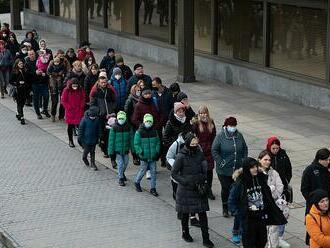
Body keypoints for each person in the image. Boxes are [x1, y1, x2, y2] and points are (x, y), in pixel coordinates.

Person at [228, 157, 287, 248]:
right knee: (249, 243)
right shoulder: (240, 183)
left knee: (262, 240)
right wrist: (239, 214)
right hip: (248, 219)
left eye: (256, 166)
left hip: (261, 216)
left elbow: (267, 196)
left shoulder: (260, 179)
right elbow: (232, 201)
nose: (255, 169)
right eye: (252, 167)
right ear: (247, 168)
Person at [171, 132, 214, 248]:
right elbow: (174, 173)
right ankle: (185, 233)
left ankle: (206, 238)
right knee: (185, 214)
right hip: (186, 190)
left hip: (199, 189)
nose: (195, 145)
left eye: (196, 143)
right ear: (188, 143)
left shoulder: (199, 154)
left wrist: (204, 178)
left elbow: (203, 167)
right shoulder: (181, 156)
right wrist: (185, 181)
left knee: (203, 215)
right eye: (193, 143)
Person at [211, 116, 248, 217]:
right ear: (226, 126)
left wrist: (243, 161)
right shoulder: (220, 137)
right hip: (224, 170)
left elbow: (244, 148)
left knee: (235, 189)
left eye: (234, 125)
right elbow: (214, 150)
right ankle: (225, 208)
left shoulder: (239, 135)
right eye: (231, 125)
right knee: (226, 188)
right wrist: (220, 162)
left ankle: (233, 207)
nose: (233, 127)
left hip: (237, 169)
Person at [301, 148, 330, 245]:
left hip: (326, 204)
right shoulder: (310, 170)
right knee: (315, 231)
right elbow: (304, 189)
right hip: (315, 205)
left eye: (329, 159)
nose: (328, 162)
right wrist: (313, 201)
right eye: (326, 160)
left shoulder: (328, 169)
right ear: (319, 159)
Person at [258, 150, 284, 248]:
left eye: (269, 160)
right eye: (265, 159)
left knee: (274, 230)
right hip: (260, 207)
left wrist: (271, 192)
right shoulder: (256, 173)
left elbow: (280, 187)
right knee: (262, 231)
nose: (268, 162)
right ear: (259, 160)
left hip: (273, 206)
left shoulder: (274, 172)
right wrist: (270, 189)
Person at [90, 71, 117, 158]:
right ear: (98, 82)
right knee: (102, 134)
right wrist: (99, 112)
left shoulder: (110, 90)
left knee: (109, 134)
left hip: (110, 116)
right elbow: (93, 105)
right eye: (102, 82)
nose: (104, 84)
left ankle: (109, 149)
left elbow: (114, 101)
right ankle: (104, 149)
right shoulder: (95, 92)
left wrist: (112, 110)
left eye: (105, 82)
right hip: (101, 116)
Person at [192, 105, 216, 200]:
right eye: (201, 113)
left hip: (209, 150)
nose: (203, 115)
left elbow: (214, 135)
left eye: (205, 113)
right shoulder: (196, 123)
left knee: (209, 171)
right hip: (200, 150)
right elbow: (194, 136)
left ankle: (209, 189)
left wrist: (212, 147)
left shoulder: (211, 122)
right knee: (201, 171)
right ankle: (201, 188)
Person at [134, 114, 160, 197]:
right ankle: (137, 182)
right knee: (143, 170)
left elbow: (157, 142)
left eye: (150, 121)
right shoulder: (139, 132)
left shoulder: (154, 131)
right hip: (144, 156)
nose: (148, 123)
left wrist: (156, 151)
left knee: (153, 172)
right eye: (147, 121)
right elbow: (136, 144)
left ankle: (153, 188)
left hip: (152, 156)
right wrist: (140, 152)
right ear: (144, 122)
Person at [108, 111, 134, 186]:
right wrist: (111, 152)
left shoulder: (128, 127)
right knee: (120, 163)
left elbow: (131, 139)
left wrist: (133, 150)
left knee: (125, 163)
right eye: (120, 118)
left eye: (122, 118)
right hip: (118, 150)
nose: (121, 120)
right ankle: (120, 178)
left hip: (126, 150)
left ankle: (122, 173)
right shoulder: (114, 128)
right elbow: (111, 141)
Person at [266, 137, 292, 201]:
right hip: (270, 185)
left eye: (277, 148)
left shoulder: (283, 155)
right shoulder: (265, 156)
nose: (275, 150)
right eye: (273, 148)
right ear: (269, 147)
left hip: (282, 184)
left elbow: (288, 168)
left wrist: (286, 180)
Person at [61, 78, 85, 147]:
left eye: (76, 86)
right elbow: (63, 100)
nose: (75, 87)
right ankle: (70, 140)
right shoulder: (66, 90)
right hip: (70, 111)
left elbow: (83, 98)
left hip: (78, 111)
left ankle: (81, 141)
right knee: (70, 126)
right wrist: (69, 107)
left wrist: (81, 106)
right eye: (73, 85)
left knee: (80, 127)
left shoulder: (80, 90)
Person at [78, 106, 101, 171]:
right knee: (85, 153)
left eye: (94, 116)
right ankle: (84, 159)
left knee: (92, 152)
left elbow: (99, 129)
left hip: (94, 140)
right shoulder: (84, 120)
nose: (93, 118)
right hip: (86, 141)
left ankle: (93, 163)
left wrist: (99, 136)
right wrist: (80, 139)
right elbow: (80, 130)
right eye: (92, 116)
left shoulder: (97, 119)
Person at [124, 84, 142, 165]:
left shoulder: (141, 99)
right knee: (133, 140)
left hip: (139, 122)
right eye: (137, 90)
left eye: (139, 90)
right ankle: (135, 156)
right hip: (132, 123)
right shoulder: (130, 100)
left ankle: (139, 155)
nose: (139, 92)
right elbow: (126, 112)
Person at [47, 56, 66, 122]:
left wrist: (61, 73)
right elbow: (48, 72)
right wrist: (54, 74)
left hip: (61, 82)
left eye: (58, 61)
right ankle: (53, 115)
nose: (57, 63)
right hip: (53, 81)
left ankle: (61, 116)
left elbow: (64, 70)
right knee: (55, 102)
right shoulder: (51, 65)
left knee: (62, 102)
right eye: (56, 61)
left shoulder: (62, 64)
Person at [10, 59, 28, 125]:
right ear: (17, 64)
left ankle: (18, 113)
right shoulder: (14, 71)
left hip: (24, 90)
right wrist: (17, 83)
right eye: (20, 64)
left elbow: (27, 79)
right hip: (18, 90)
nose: (21, 65)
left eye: (22, 64)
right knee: (19, 103)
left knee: (22, 103)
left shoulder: (25, 71)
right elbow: (11, 81)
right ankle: (22, 117)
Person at [34, 51, 51, 119]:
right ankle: (38, 113)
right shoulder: (36, 61)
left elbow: (49, 71)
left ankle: (45, 110)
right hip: (36, 83)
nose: (42, 55)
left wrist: (45, 74)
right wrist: (36, 72)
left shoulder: (47, 61)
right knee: (36, 98)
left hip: (44, 83)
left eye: (43, 53)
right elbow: (30, 73)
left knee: (46, 97)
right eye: (40, 53)